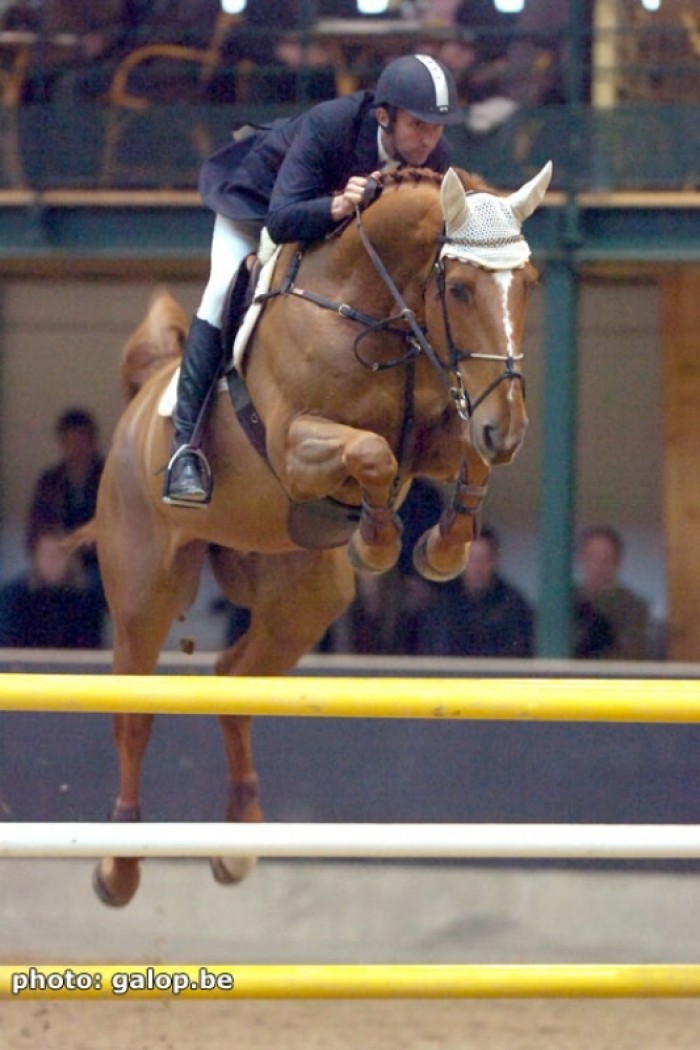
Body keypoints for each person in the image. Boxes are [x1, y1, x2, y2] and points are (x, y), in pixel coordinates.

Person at [162, 52, 463, 507]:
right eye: (418, 125)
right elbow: (283, 221)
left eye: (437, 127)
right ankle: (185, 449)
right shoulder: (332, 124)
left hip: (332, 229)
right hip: (259, 207)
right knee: (222, 289)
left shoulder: (435, 158)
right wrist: (338, 206)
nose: (428, 140)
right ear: (384, 116)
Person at [26, 408, 105, 630]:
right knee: (13, 595)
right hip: (53, 564)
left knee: (87, 594)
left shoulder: (109, 480)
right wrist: (49, 555)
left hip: (96, 566)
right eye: (69, 441)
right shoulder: (50, 481)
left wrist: (75, 552)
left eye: (81, 441)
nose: (76, 448)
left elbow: (116, 533)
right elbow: (36, 529)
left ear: (93, 442)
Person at [420, 527, 534, 657]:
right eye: (472, 559)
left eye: (483, 560)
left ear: (494, 561)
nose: (477, 567)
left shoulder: (513, 607)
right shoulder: (442, 604)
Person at [0, 528, 104, 648]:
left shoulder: (88, 598)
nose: (53, 562)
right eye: (47, 555)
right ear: (36, 558)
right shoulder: (15, 597)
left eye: (60, 555)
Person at [574, 524, 650, 661]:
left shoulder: (633, 607)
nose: (598, 567)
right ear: (581, 560)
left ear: (617, 562)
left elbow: (632, 656)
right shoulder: (564, 604)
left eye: (606, 559)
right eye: (592, 558)